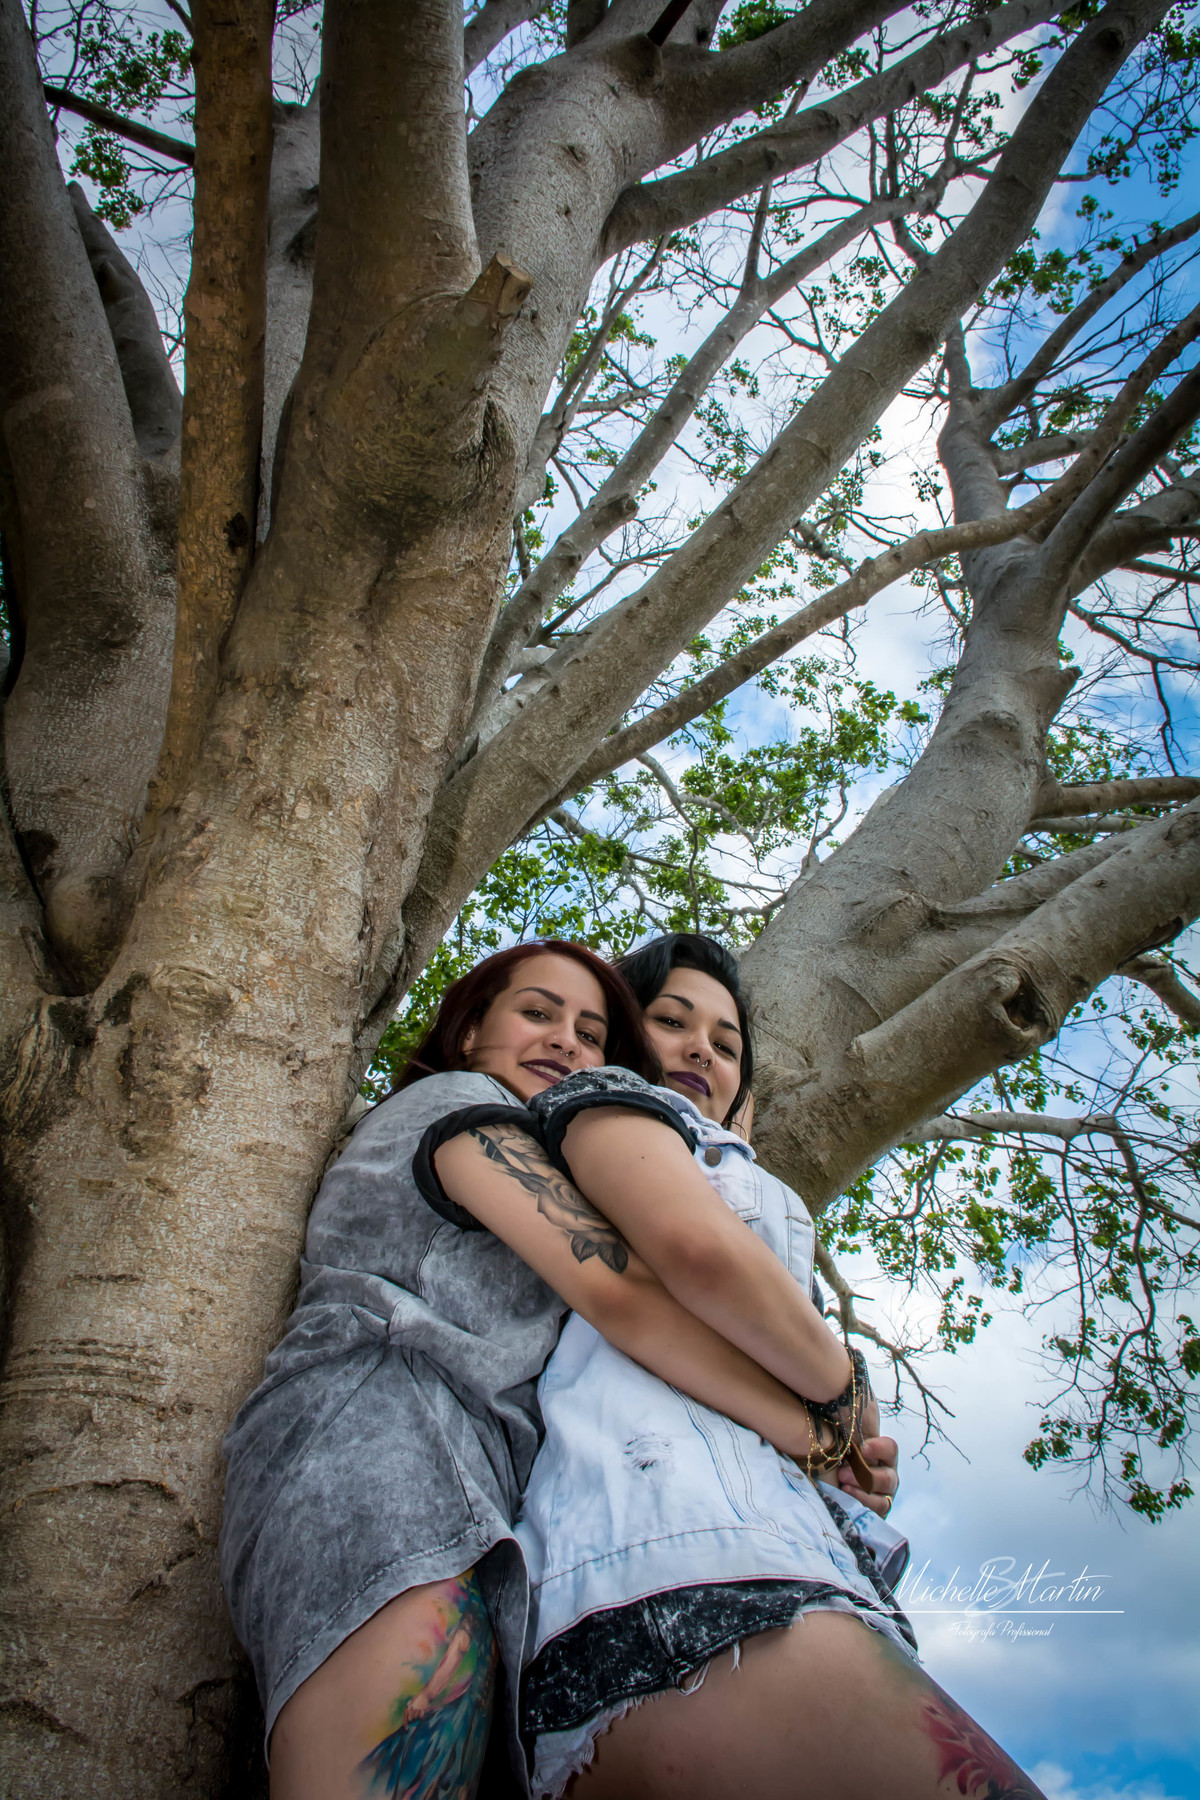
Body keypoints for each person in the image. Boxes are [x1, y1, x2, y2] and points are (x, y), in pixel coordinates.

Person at [221, 941, 873, 1800]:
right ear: (468, 1032)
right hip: (376, 1445)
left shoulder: (544, 1150)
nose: (566, 1040)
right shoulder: (461, 1105)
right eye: (538, 1013)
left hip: (475, 1492)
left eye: (592, 1034)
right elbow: (624, 1295)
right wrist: (819, 1425)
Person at [499, 933, 1049, 1800]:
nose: (700, 1051)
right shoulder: (601, 1106)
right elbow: (697, 1253)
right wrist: (844, 1394)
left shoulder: (733, 1172)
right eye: (671, 1022)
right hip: (682, 1560)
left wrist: (841, 1465)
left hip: (744, 1559)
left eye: (726, 1045)